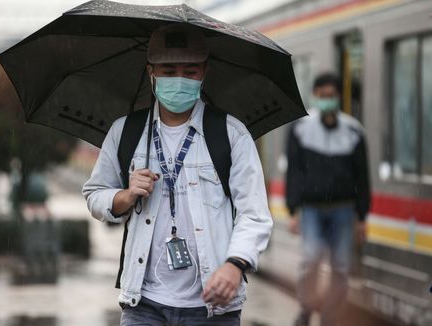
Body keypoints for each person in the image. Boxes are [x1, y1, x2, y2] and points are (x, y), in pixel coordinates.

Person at [83, 24, 272, 325]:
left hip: (213, 309)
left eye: (190, 71)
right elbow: (94, 195)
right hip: (143, 304)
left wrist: (235, 265)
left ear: (204, 72)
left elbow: (255, 213)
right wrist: (126, 195)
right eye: (168, 70)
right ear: (151, 72)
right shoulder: (126, 132)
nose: (179, 79)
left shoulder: (230, 133)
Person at [285, 73, 370, 326]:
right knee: (310, 259)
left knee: (341, 268)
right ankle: (307, 307)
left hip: (344, 210)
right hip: (311, 209)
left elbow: (362, 176)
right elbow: (294, 173)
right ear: (315, 97)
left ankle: (330, 318)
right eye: (322, 96)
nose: (327, 101)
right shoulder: (300, 129)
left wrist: (363, 216)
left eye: (331, 96)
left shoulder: (354, 131)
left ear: (338, 97)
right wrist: (292, 210)